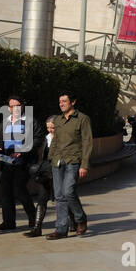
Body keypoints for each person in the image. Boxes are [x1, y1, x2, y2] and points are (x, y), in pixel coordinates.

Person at [47, 93, 94, 239]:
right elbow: (55, 141)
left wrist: (84, 165)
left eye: (64, 101)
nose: (61, 104)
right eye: (59, 101)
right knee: (59, 196)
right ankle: (61, 229)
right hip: (57, 162)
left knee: (68, 192)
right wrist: (50, 158)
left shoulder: (82, 119)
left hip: (73, 162)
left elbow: (87, 142)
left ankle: (80, 219)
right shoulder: (58, 120)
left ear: (73, 102)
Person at [0, 97, 37, 231]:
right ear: (8, 108)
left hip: (22, 163)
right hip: (6, 163)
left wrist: (22, 151)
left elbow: (38, 138)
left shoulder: (30, 121)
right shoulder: (4, 122)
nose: (15, 108)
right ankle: (8, 222)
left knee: (20, 191)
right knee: (6, 194)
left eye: (17, 105)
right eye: (12, 106)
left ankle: (34, 217)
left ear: (22, 106)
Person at [24, 116, 58, 237]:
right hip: (45, 173)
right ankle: (37, 227)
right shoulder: (46, 139)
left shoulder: (62, 139)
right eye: (48, 127)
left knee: (61, 199)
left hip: (57, 172)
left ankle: (73, 222)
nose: (50, 130)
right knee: (42, 199)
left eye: (52, 127)